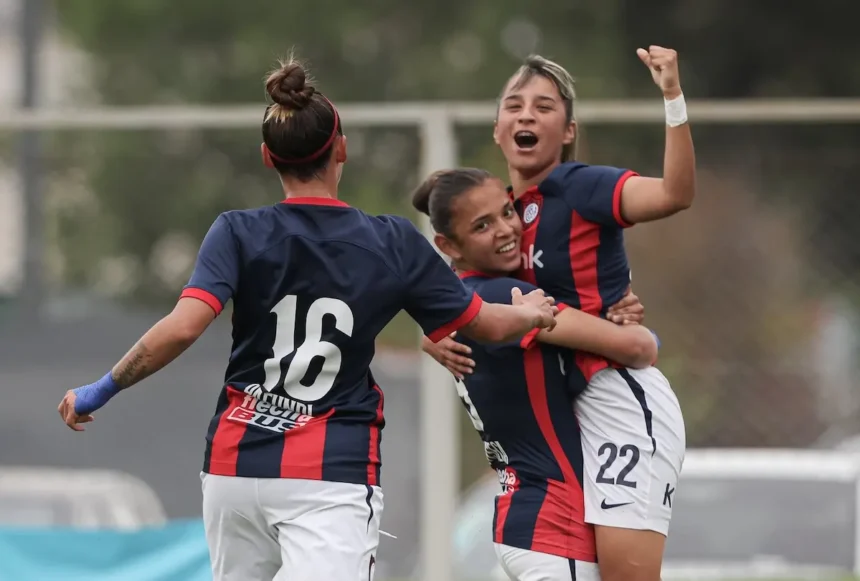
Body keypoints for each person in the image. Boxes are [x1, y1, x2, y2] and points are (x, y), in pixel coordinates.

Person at [56, 58, 558, 581]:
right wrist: (528, 313)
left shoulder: (236, 232)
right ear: (342, 148)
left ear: (267, 158)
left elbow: (183, 327)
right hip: (328, 474)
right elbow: (484, 324)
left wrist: (101, 388)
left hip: (235, 465)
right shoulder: (392, 241)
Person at [426, 49, 694, 581]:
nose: (527, 115)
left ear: (568, 130)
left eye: (544, 106)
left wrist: (672, 98)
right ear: (498, 129)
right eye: (514, 105)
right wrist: (434, 336)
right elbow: (458, 290)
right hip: (573, 407)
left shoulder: (581, 186)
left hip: (619, 395)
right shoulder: (498, 214)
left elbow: (675, 195)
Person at [413, 168, 661, 581]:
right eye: (481, 226)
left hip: (530, 516)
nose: (505, 229)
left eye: (507, 212)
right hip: (553, 522)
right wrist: (629, 323)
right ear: (448, 246)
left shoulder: (468, 301)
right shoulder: (504, 302)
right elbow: (638, 349)